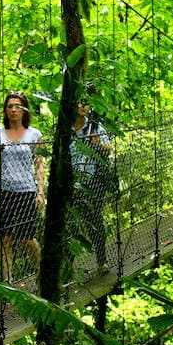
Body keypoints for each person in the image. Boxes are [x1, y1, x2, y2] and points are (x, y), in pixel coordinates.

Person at [0, 92, 46, 283]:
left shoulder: (34, 134)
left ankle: (42, 273)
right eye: (9, 106)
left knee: (27, 238)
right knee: (5, 238)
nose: (13, 110)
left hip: (26, 190)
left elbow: (39, 164)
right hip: (3, 190)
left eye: (17, 106)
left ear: (24, 109)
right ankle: (8, 282)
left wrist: (40, 192)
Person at [70, 96, 114, 269]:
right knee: (71, 225)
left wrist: (98, 145)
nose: (82, 106)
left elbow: (108, 149)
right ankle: (68, 270)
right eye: (78, 102)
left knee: (93, 220)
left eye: (85, 103)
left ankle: (101, 261)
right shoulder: (65, 130)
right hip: (72, 181)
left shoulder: (94, 126)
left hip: (93, 181)